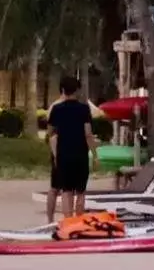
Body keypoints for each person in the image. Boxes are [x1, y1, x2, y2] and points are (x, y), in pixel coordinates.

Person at [45, 75, 97, 224]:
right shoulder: (84, 109)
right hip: (80, 154)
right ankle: (79, 222)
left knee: (66, 191)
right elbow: (88, 134)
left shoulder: (56, 109)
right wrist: (95, 155)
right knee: (80, 192)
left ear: (62, 89)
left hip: (63, 155)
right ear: (77, 90)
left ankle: (68, 223)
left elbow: (51, 133)